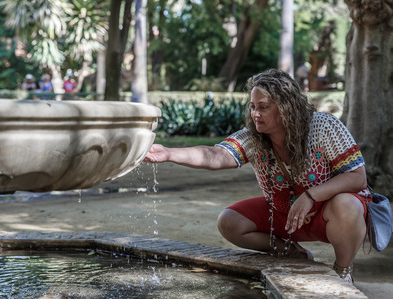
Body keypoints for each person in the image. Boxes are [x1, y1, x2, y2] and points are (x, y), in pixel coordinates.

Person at [144, 69, 370, 284]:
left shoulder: (324, 126)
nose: (255, 114)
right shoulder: (253, 138)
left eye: (263, 107)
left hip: (328, 214)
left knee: (347, 205)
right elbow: (215, 155)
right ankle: (294, 254)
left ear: (286, 108)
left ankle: (342, 271)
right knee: (229, 221)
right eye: (252, 107)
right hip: (285, 215)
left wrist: (310, 196)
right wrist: (168, 153)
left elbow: (357, 178)